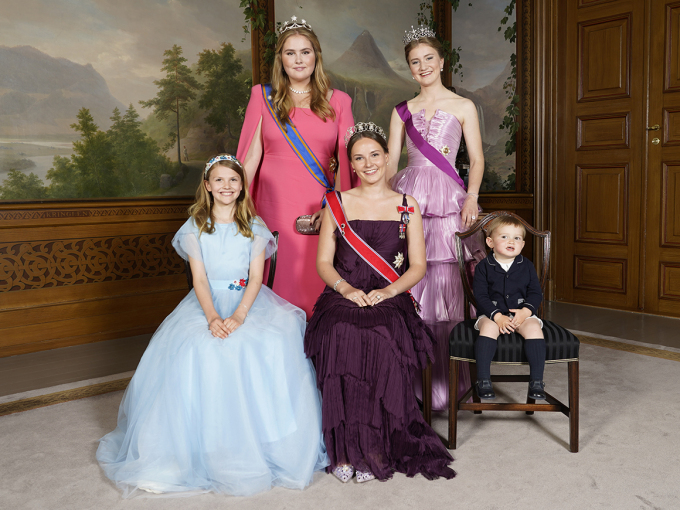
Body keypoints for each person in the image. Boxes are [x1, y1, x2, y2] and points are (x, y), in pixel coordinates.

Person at [96, 154, 328, 497]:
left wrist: (238, 316)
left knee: (273, 339)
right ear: (207, 186)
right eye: (219, 180)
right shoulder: (194, 227)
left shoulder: (255, 226)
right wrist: (214, 318)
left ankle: (266, 440)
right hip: (206, 304)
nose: (227, 186)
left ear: (242, 186)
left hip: (249, 303)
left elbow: (255, 279)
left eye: (233, 180)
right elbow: (200, 280)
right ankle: (194, 445)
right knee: (195, 344)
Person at [304, 123, 456, 483]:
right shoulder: (336, 203)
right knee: (341, 332)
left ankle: (374, 447)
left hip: (390, 297)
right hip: (342, 296)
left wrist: (388, 292)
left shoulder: (407, 206)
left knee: (381, 336)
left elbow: (418, 266)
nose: (368, 163)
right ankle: (344, 449)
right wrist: (345, 289)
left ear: (388, 158)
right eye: (359, 158)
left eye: (375, 154)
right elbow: (323, 262)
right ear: (351, 165)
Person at [387, 25, 486, 410]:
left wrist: (472, 196)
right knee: (409, 275)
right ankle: (409, 380)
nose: (424, 65)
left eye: (430, 58)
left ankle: (449, 380)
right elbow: (391, 161)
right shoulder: (401, 111)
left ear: (442, 62)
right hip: (408, 196)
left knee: (447, 283)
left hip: (449, 199)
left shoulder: (463, 106)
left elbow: (476, 159)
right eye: (416, 61)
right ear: (410, 70)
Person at [237, 16, 355, 318]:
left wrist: (336, 209)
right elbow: (249, 159)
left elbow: (346, 161)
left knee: (313, 284)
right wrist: (235, 209)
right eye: (290, 53)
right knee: (274, 285)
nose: (298, 59)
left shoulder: (339, 101)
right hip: (270, 208)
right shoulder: (262, 97)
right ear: (281, 59)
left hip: (317, 209)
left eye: (305, 51)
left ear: (316, 56)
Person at [472, 215, 546, 400]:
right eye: (504, 237)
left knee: (534, 328)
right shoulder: (483, 267)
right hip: (492, 315)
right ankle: (483, 380)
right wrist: (497, 316)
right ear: (490, 242)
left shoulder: (527, 266)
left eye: (517, 238)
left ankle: (536, 381)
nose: (511, 241)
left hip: (521, 314)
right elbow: (480, 296)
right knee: (488, 328)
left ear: (522, 244)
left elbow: (535, 293)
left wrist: (525, 312)